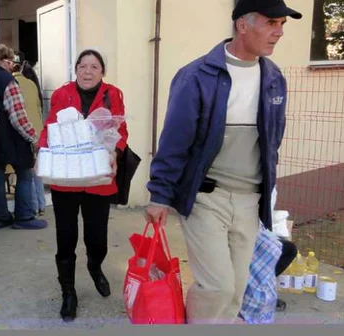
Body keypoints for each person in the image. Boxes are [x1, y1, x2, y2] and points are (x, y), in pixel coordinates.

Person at [145, 0, 301, 324]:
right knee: (217, 286)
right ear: (243, 25)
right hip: (206, 198)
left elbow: (273, 139)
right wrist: (160, 194)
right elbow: (175, 141)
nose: (279, 32)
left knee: (236, 290)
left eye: (283, 24)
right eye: (272, 22)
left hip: (250, 200)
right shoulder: (197, 76)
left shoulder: (274, 78)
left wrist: (267, 192)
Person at [38, 49, 128, 322]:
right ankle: (68, 291)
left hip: (99, 177)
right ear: (75, 69)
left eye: (94, 67)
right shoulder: (62, 94)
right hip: (66, 178)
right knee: (66, 237)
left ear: (102, 71)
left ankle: (95, 265)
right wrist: (42, 155)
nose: (88, 71)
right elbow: (50, 129)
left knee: (97, 237)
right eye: (82, 66)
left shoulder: (113, 94)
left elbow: (120, 130)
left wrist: (116, 152)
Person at [0, 44, 47, 230]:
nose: (12, 66)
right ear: (1, 60)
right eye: (10, 62)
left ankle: (0, 218)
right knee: (25, 173)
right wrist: (32, 136)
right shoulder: (7, 80)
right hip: (13, 138)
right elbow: (17, 115)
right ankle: (24, 217)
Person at [12, 53, 45, 216]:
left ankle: (33, 207)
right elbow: (39, 108)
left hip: (25, 133)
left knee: (28, 174)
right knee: (37, 172)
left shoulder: (12, 84)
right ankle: (41, 204)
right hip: (38, 131)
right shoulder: (31, 83)